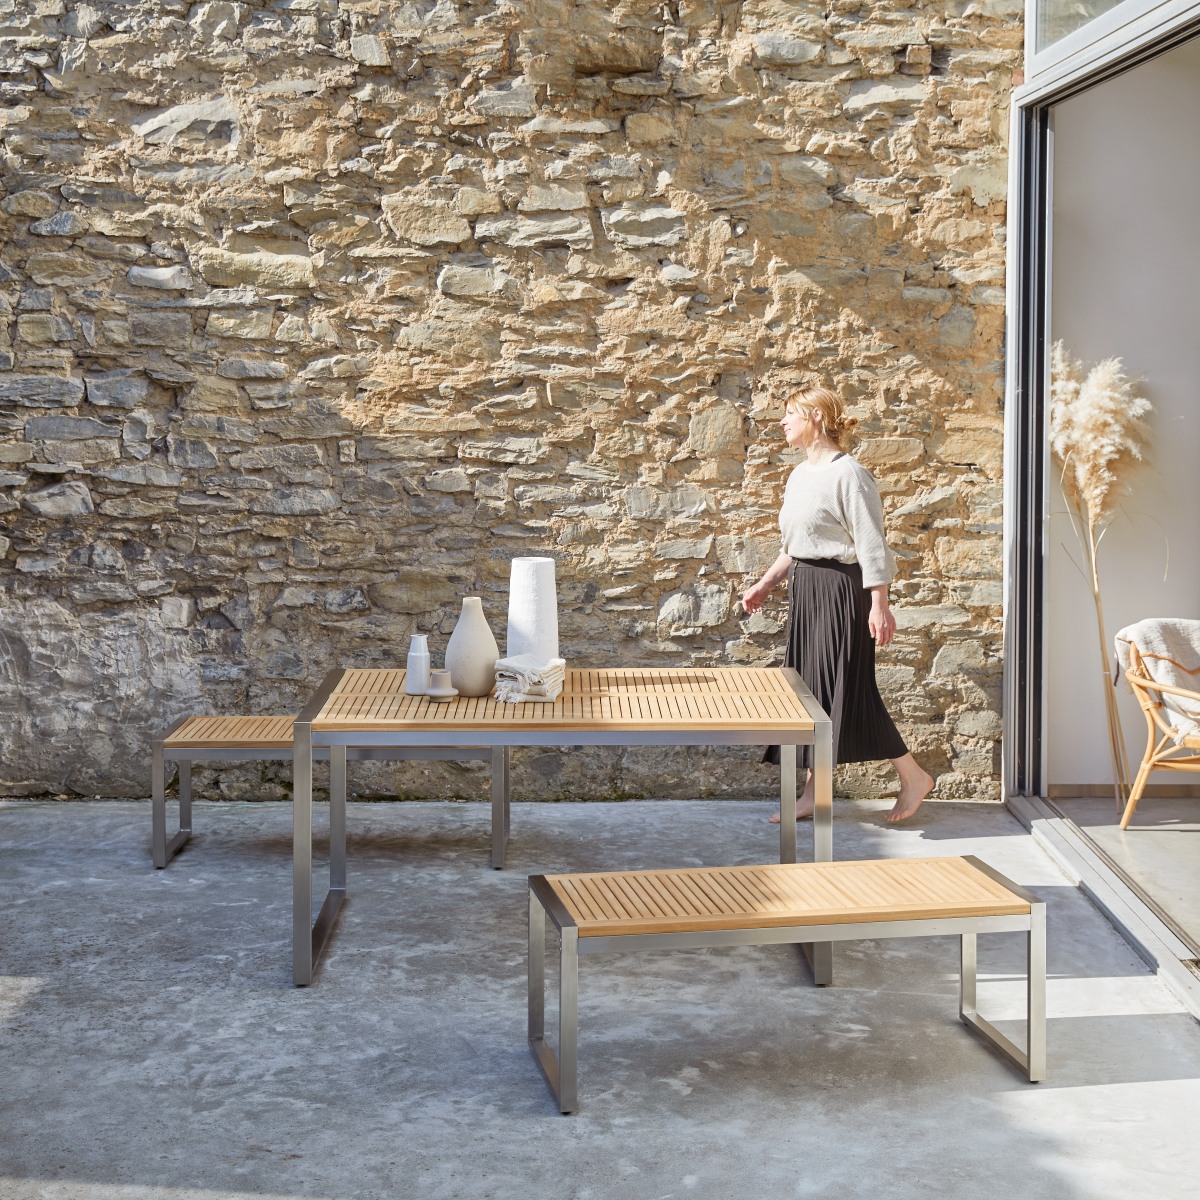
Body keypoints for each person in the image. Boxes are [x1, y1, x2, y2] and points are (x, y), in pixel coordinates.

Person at [741, 386, 934, 824]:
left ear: (815, 417)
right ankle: (815, 793)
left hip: (842, 592)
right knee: (810, 693)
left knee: (850, 689)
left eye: (790, 413)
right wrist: (766, 584)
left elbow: (871, 543)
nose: (782, 421)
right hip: (807, 589)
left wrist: (879, 604)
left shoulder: (849, 474)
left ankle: (914, 776)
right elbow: (795, 544)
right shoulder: (798, 476)